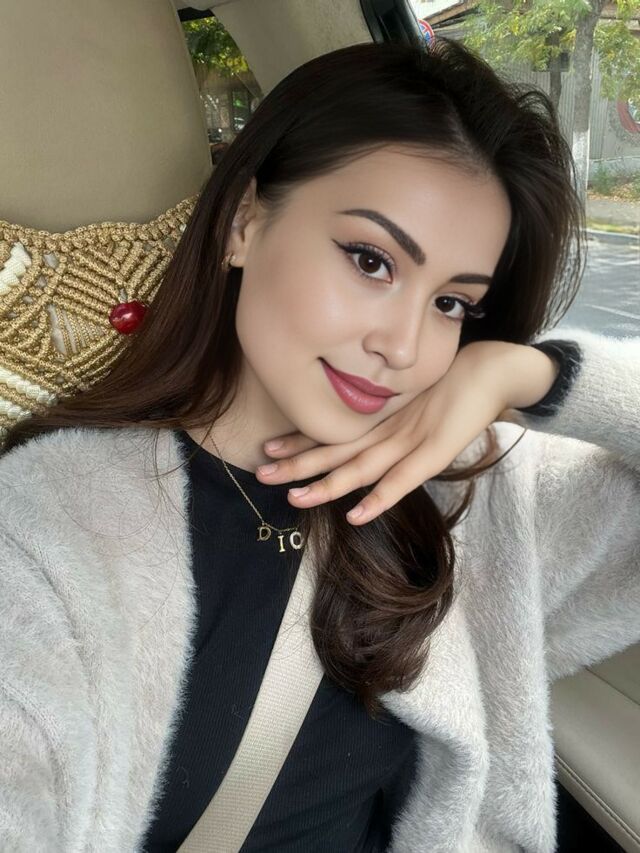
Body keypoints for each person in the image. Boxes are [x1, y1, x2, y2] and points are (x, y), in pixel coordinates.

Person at [0, 36, 638, 853]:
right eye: (371, 260)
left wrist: (528, 374)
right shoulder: (51, 526)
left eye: (451, 303)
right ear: (243, 223)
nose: (404, 346)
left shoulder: (471, 491)